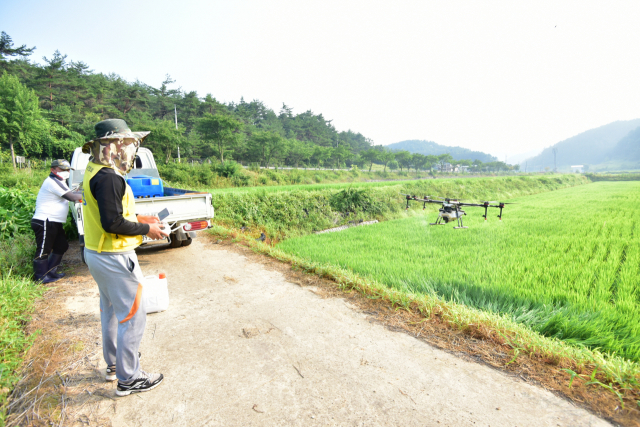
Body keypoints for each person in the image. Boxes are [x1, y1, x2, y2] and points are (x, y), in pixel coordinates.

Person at [81, 118, 168, 396]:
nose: (132, 149)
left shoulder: (95, 170)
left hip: (97, 253)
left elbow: (111, 214)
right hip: (115, 257)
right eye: (130, 143)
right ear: (115, 144)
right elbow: (112, 223)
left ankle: (114, 365)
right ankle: (129, 378)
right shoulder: (109, 178)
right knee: (133, 316)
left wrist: (141, 217)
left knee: (111, 312)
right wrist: (148, 229)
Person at [31, 159, 82, 283]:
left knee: (61, 246)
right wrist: (92, 195)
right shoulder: (52, 182)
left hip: (54, 221)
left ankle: (50, 272)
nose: (66, 172)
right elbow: (72, 197)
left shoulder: (60, 181)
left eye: (68, 170)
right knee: (44, 249)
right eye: (63, 169)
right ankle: (40, 277)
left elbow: (73, 193)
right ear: (53, 170)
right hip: (45, 220)